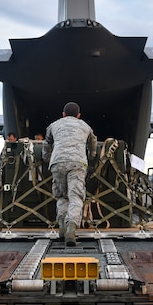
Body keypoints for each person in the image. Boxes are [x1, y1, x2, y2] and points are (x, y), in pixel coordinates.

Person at [43, 102, 96, 246]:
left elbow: (46, 144)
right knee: (76, 197)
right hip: (77, 163)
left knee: (62, 196)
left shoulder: (54, 125)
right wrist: (91, 156)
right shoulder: (85, 126)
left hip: (57, 163)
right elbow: (93, 143)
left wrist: (47, 158)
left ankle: (62, 228)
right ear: (78, 115)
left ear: (63, 114)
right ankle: (71, 229)